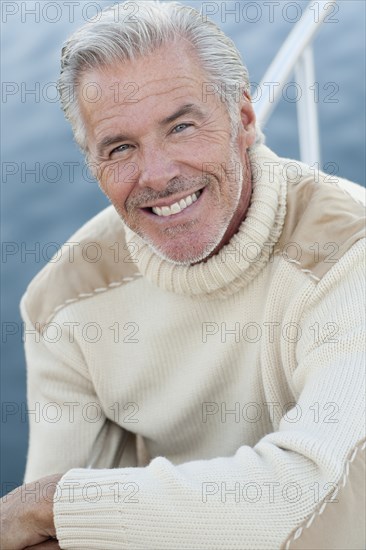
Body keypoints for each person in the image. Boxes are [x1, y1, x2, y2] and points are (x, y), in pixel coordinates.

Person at [1, 1, 365, 548]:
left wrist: (51, 503)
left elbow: (322, 500)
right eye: (120, 147)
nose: (158, 174)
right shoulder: (61, 304)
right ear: (93, 166)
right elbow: (45, 542)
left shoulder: (348, 252)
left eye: (181, 126)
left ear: (243, 119)